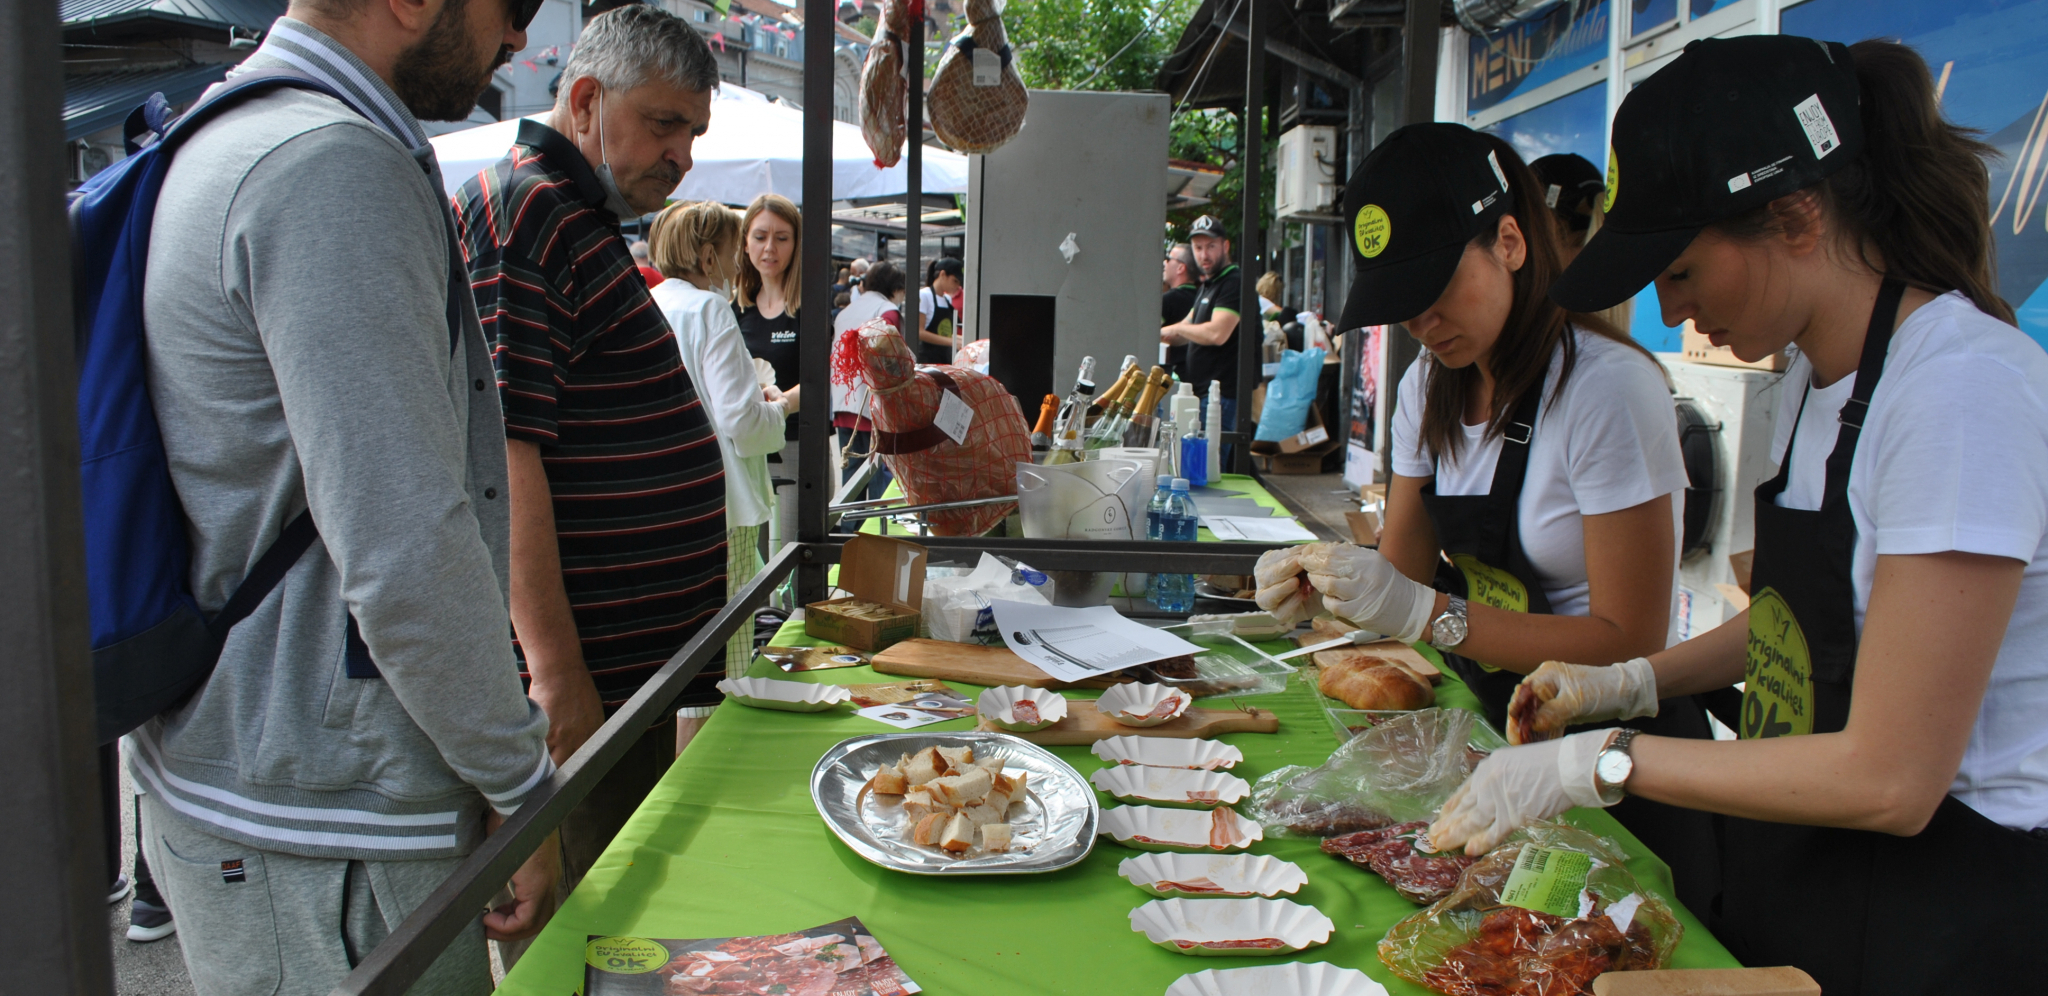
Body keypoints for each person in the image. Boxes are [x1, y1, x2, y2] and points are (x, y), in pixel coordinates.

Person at [1425, 37, 2048, 993]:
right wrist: (1632, 681)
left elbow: (1891, 778)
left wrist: (1604, 762)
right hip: (1811, 865)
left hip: (1945, 903)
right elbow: (1810, 624)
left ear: (1796, 217)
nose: (1673, 313)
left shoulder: (1958, 391)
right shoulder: (1811, 378)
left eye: (1681, 272)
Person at [133, 1, 557, 991]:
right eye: (512, 6)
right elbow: (406, 545)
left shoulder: (233, 125)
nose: (515, 40)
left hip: (266, 783)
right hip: (326, 822)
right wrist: (520, 782)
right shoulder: (332, 168)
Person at [1254, 122, 1717, 914]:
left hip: (1609, 759)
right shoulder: (1426, 389)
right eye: (1403, 304)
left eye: (1436, 288)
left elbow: (1631, 640)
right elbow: (1401, 576)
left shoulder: (1606, 389)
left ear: (1509, 241)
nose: (1422, 322)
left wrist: (1427, 613)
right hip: (1494, 729)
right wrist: (1326, 582)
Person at [455, 3, 728, 891]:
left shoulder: (571, 211)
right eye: (664, 123)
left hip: (633, 678)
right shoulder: (526, 208)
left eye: (693, 133)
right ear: (584, 101)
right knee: (589, 925)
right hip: (591, 689)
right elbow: (504, 453)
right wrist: (556, 673)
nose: (682, 155)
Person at [649, 202, 793, 678]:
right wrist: (781, 407)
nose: (738, 264)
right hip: (722, 501)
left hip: (666, 500)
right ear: (709, 257)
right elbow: (740, 420)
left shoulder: (652, 303)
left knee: (680, 649)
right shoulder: (710, 308)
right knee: (724, 653)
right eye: (734, 251)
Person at [734, 193, 804, 552]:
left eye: (782, 237)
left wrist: (782, 404)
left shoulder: (808, 307)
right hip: (748, 446)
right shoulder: (735, 308)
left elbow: (821, 380)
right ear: (745, 242)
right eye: (760, 237)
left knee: (797, 552)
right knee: (750, 556)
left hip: (796, 442)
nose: (769, 248)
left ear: (796, 243)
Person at [1161, 214, 1243, 465]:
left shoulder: (1233, 282)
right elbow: (1182, 331)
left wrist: (1177, 329)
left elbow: (1217, 334)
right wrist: (1156, 335)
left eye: (1210, 246)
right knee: (1199, 464)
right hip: (1202, 392)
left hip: (1222, 395)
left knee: (1208, 465)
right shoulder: (1208, 285)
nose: (1204, 255)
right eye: (1198, 248)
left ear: (1225, 246)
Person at [832, 260, 906, 500]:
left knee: (851, 483)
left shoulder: (846, 311)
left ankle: (847, 525)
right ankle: (875, 525)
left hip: (844, 403)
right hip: (874, 406)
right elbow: (891, 362)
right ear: (896, 288)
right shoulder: (888, 312)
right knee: (878, 480)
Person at [1160, 243, 1200, 380]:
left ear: (1181, 268)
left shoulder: (1168, 299)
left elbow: (1148, 337)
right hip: (1197, 375)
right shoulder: (1201, 299)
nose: (1164, 263)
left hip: (1171, 377)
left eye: (1168, 259)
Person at [916, 257, 963, 365]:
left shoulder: (947, 299)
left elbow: (944, 333)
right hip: (926, 362)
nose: (957, 286)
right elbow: (919, 332)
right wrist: (952, 342)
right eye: (955, 281)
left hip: (944, 360)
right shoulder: (924, 295)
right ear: (942, 274)